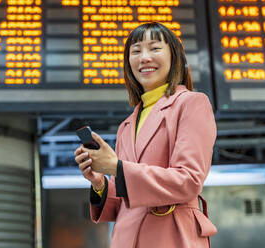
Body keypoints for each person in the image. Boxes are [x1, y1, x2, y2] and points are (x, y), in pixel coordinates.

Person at [74, 22, 217, 248]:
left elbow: (188, 180)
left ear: (175, 57)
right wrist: (100, 182)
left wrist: (117, 168)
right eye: (136, 51)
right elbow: (123, 202)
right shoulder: (127, 125)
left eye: (154, 48)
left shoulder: (191, 103)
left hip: (171, 236)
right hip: (126, 239)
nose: (144, 57)